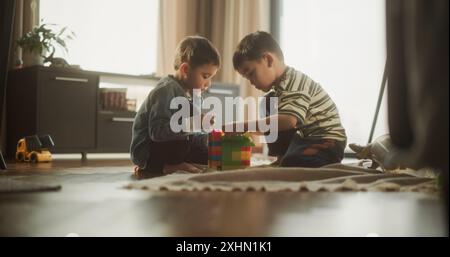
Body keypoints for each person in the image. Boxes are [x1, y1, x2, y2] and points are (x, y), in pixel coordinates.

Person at [227, 31, 347, 167]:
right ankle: (281, 157)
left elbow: (288, 121)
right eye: (247, 78)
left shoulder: (294, 83)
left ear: (268, 60)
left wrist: (242, 126)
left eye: (251, 73)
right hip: (304, 138)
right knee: (268, 102)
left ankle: (294, 160)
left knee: (294, 162)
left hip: (327, 140)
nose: (251, 82)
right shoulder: (279, 89)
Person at [130, 36, 221, 178]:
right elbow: (158, 132)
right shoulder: (165, 91)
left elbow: (192, 132)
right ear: (185, 69)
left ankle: (178, 162)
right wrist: (193, 123)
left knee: (211, 154)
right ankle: (167, 166)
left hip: (175, 146)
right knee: (182, 141)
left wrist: (209, 137)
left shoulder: (194, 94)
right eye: (205, 76)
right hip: (149, 152)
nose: (208, 84)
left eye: (211, 77)